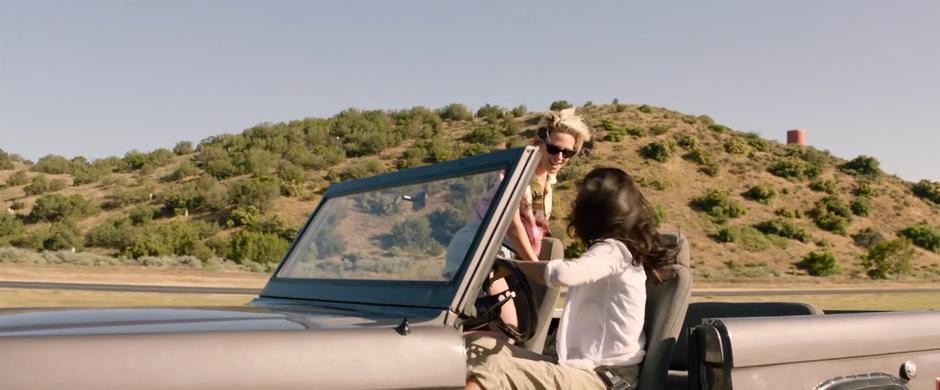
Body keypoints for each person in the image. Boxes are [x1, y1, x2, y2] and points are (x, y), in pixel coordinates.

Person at [465, 167, 678, 389]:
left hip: (604, 378)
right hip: (577, 366)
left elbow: (562, 274)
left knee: (490, 368)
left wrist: (514, 265)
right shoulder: (611, 252)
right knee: (472, 345)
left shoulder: (614, 250)